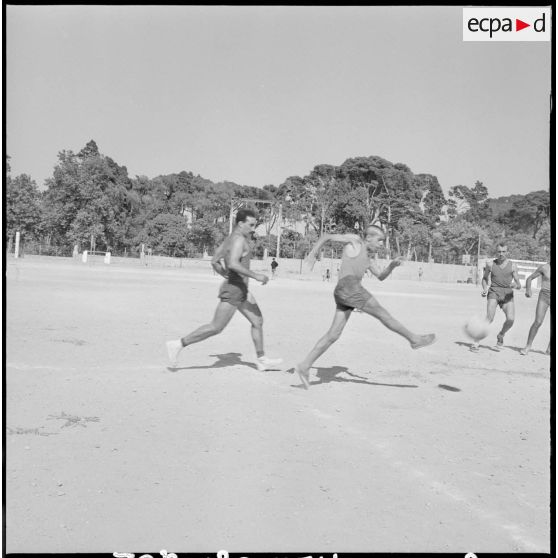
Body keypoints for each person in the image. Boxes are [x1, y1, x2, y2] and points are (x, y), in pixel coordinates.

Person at [294, 226, 436, 389]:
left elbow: (381, 276)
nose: (382, 244)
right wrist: (313, 254)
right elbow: (327, 236)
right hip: (350, 288)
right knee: (383, 314)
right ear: (369, 238)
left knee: (333, 335)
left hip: (343, 293)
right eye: (380, 240)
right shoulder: (355, 242)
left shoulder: (369, 258)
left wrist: (392, 265)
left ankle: (304, 365)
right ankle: (414, 339)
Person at [166, 208, 282, 371]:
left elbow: (214, 261)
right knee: (216, 327)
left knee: (257, 321)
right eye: (251, 224)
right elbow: (234, 263)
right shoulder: (238, 240)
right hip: (234, 290)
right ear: (241, 223)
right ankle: (178, 344)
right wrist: (255, 275)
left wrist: (227, 275)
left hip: (240, 289)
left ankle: (261, 359)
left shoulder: (230, 239)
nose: (253, 228)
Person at [471, 243, 521, 353]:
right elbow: (484, 278)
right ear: (496, 252)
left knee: (511, 319)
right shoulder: (490, 264)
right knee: (489, 318)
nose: (501, 254)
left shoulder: (513, 266)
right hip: (494, 291)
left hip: (507, 294)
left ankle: (501, 335)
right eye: (499, 251)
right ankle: (476, 341)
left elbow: (519, 285)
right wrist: (484, 289)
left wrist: (515, 285)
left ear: (507, 252)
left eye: (503, 252)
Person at [521, 262, 551, 356]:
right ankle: (528, 346)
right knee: (538, 322)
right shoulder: (544, 267)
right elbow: (529, 278)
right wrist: (528, 290)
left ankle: (549, 349)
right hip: (544, 296)